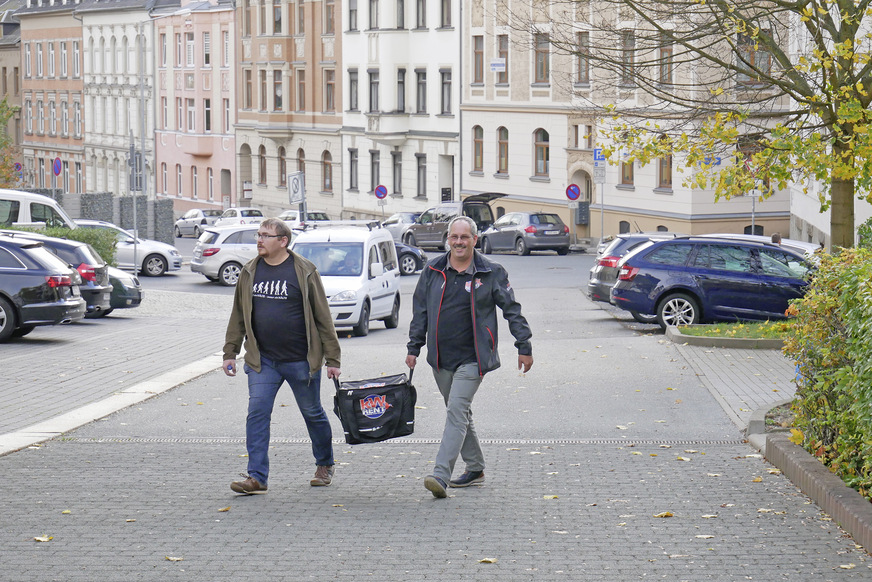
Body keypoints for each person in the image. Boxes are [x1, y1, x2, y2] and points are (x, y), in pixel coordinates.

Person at [406, 215, 533, 498]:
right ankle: (475, 468)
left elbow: (512, 309)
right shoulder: (432, 270)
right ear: (448, 239)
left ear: (475, 240)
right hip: (440, 358)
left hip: (474, 358)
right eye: (455, 237)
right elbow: (421, 312)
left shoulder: (490, 272)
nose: (459, 242)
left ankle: (440, 474)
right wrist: (413, 348)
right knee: (459, 412)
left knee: (456, 411)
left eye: (465, 237)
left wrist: (524, 345)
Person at [223, 217, 341, 495]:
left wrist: (333, 360)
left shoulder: (304, 271)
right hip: (263, 361)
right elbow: (238, 314)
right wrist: (230, 351)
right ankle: (257, 477)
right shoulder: (250, 270)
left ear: (283, 241)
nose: (259, 240)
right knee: (257, 413)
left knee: (313, 413)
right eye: (258, 234)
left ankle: (325, 464)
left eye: (266, 235)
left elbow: (323, 318)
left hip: (301, 360)